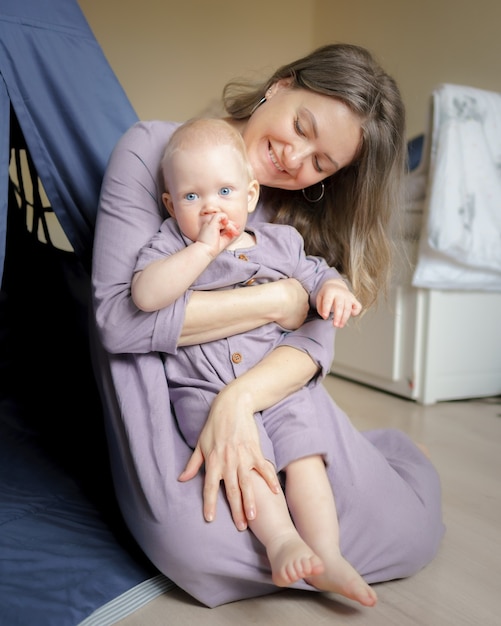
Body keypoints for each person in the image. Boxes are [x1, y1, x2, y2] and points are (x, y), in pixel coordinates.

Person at [91, 43, 445, 608]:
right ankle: (293, 534)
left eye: (320, 163)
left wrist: (241, 399)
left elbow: (314, 335)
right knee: (201, 549)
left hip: (274, 395)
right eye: (301, 125)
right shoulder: (162, 155)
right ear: (281, 85)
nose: (293, 158)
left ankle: (365, 491)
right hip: (188, 394)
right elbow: (121, 321)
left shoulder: (288, 219)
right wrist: (278, 300)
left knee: (406, 530)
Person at [131, 117, 376, 606]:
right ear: (169, 205)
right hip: (203, 385)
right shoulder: (172, 243)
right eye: (192, 197)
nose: (210, 207)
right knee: (251, 462)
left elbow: (317, 274)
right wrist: (201, 249)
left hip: (275, 383)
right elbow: (144, 294)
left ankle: (326, 552)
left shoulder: (280, 242)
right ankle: (282, 539)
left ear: (249, 195)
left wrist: (335, 290)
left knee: (305, 453)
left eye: (224, 190)